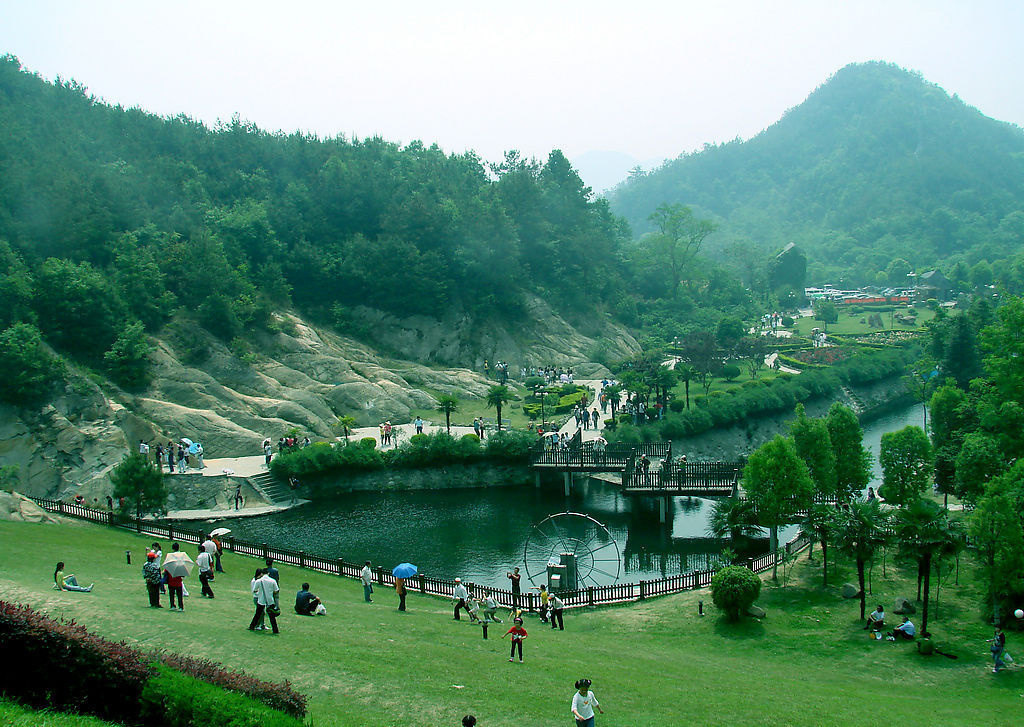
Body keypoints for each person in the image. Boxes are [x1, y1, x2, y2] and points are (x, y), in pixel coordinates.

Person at [250, 568, 280, 634]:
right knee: (272, 617)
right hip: (270, 600)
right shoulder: (273, 581)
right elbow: (276, 590)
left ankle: (252, 626)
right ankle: (275, 630)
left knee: (257, 614)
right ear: (268, 573)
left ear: (262, 574)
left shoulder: (259, 581)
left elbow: (255, 590)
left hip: (261, 599)